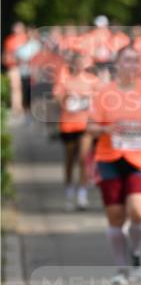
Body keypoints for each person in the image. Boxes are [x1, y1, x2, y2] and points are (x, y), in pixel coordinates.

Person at [88, 44, 141, 285]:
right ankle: (121, 268)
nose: (132, 65)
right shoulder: (105, 93)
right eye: (126, 60)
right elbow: (90, 126)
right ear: (117, 64)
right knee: (115, 217)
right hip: (110, 158)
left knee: (139, 211)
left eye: (136, 60)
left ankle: (135, 253)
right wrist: (105, 129)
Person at [53, 53, 98, 210]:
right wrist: (67, 98)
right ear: (71, 64)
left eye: (81, 63)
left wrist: (90, 99)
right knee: (70, 160)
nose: (79, 66)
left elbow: (101, 98)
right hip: (68, 124)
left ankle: (82, 195)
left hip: (85, 125)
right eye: (76, 63)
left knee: (83, 159)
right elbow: (57, 98)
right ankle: (69, 193)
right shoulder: (65, 80)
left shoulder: (93, 80)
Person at [3, 22, 27, 115]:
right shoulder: (9, 40)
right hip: (14, 66)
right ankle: (16, 107)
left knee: (24, 87)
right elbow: (7, 54)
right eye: (16, 28)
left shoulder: (26, 38)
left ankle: (23, 106)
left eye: (19, 28)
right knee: (15, 87)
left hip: (26, 67)